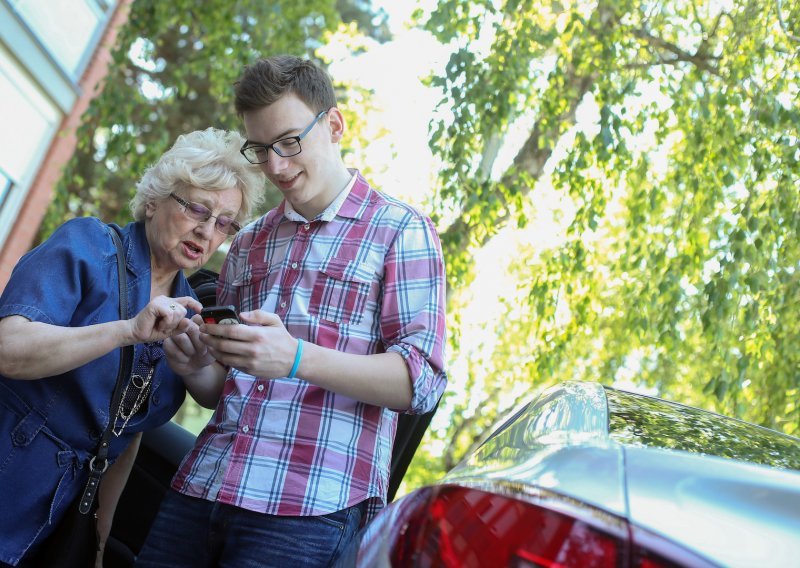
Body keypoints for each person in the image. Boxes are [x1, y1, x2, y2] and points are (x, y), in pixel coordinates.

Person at [136, 55, 448, 567]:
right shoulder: (247, 242)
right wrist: (195, 366)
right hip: (205, 484)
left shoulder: (401, 229)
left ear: (334, 124)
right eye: (260, 149)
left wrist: (297, 358)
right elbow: (223, 391)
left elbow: (421, 382)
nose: (275, 166)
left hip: (310, 508)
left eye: (288, 143)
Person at [0, 127, 264, 567]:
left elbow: (124, 437)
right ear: (156, 199)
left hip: (58, 516)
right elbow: (8, 349)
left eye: (224, 223)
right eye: (198, 208)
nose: (206, 230)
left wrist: (98, 543)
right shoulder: (88, 246)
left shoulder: (186, 315)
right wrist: (126, 330)